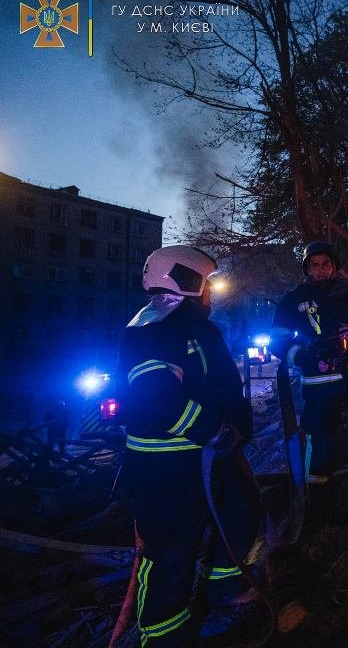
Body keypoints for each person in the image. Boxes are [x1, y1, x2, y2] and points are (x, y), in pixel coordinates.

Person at [115, 245, 262, 646]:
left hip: (206, 456)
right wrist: (213, 429)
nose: (212, 292)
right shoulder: (154, 329)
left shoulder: (190, 325)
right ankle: (163, 636)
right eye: (207, 283)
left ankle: (225, 590)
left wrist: (231, 427)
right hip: (167, 467)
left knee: (236, 515)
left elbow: (212, 382)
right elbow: (156, 399)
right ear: (187, 280)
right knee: (170, 553)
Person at [270, 241, 348, 483]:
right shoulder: (293, 300)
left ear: (333, 267)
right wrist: (308, 359)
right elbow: (277, 343)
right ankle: (319, 504)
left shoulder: (346, 294)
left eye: (325, 264)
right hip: (319, 383)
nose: (320, 270)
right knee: (321, 440)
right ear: (307, 269)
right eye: (315, 265)